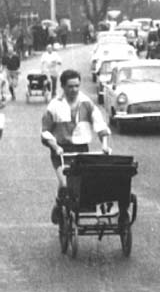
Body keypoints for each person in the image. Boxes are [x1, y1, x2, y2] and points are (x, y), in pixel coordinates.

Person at [41, 69, 111, 224]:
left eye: (77, 86)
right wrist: (55, 146)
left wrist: (104, 145)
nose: (74, 90)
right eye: (70, 86)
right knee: (65, 184)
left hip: (81, 151)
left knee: (83, 185)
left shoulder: (86, 103)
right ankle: (59, 205)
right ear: (63, 87)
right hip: (60, 151)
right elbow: (45, 131)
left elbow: (100, 125)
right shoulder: (54, 105)